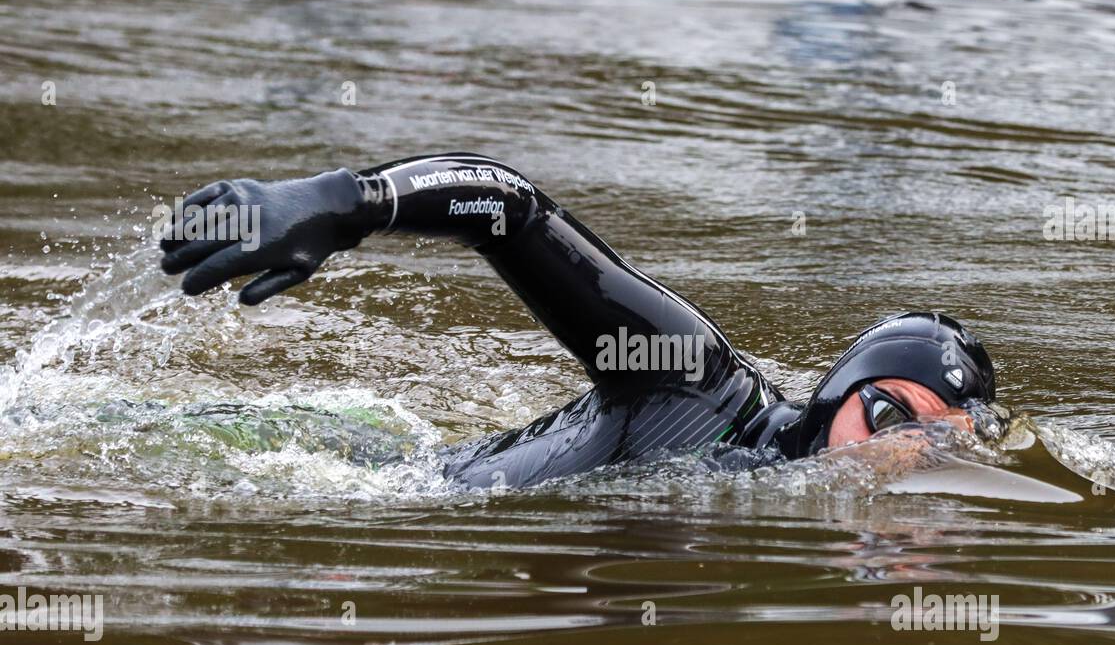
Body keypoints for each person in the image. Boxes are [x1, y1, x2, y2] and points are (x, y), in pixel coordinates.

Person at [156, 153, 996, 489]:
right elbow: (514, 210)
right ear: (839, 394)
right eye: (889, 415)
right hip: (344, 481)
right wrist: (344, 204)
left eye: (943, 442)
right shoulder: (696, 380)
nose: (905, 451)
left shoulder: (768, 498)